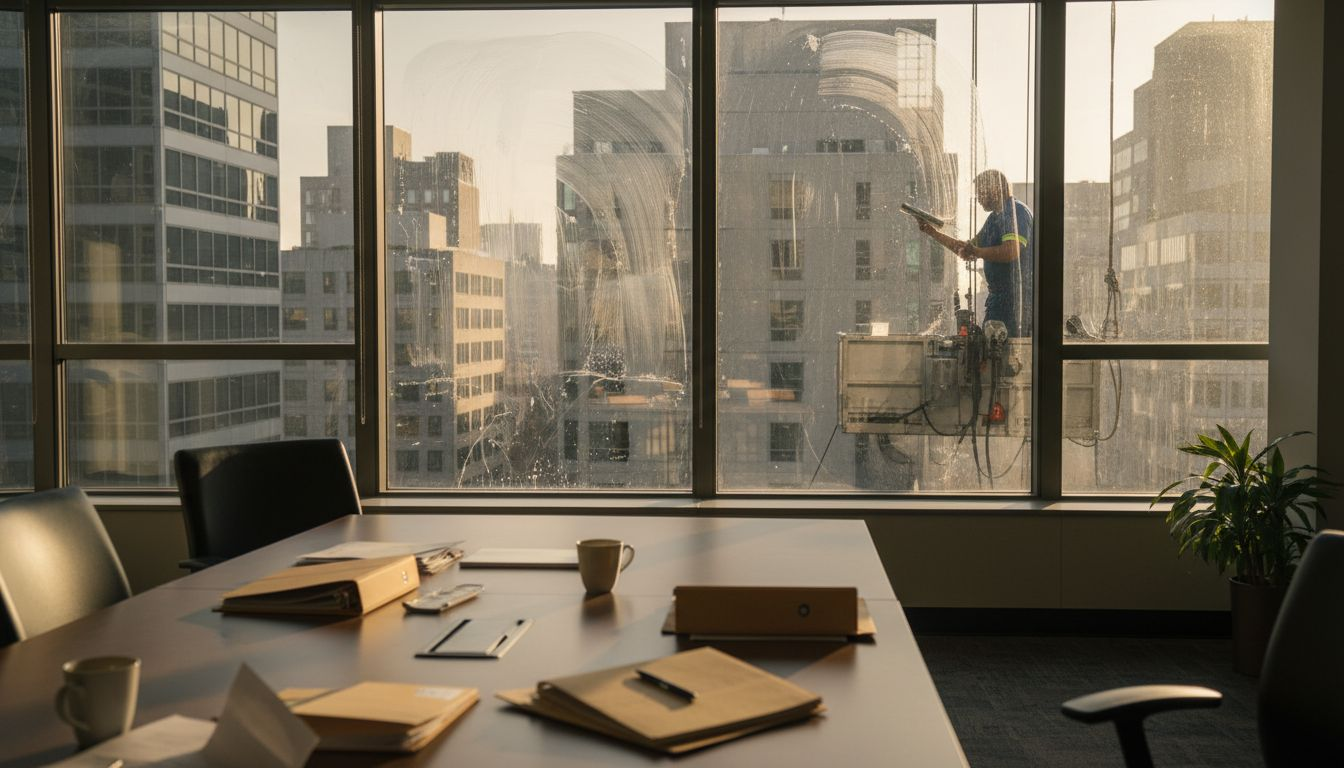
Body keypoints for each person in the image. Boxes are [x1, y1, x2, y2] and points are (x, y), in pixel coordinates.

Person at [915, 169, 1034, 337]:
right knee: (991, 352)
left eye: (980, 192)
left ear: (996, 189)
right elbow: (965, 250)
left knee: (1005, 353)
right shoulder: (994, 218)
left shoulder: (1016, 212)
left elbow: (1011, 251)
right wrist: (932, 231)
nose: (978, 199)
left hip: (1016, 301)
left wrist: (977, 251)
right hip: (999, 300)